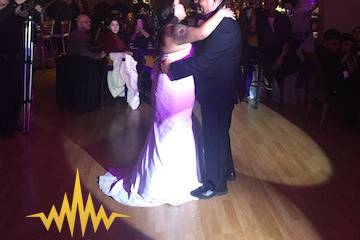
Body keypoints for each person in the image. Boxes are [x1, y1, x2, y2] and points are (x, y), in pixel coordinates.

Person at [98, 0, 235, 206]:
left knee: (174, 127)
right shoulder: (176, 29)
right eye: (177, 3)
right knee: (171, 127)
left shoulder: (171, 28)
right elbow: (202, 34)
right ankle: (167, 181)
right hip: (174, 85)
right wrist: (221, 13)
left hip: (173, 83)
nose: (181, 3)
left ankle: (177, 175)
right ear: (171, 11)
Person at [163, 0, 241, 199]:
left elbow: (204, 63)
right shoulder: (214, 20)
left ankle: (216, 185)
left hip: (218, 90)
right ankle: (227, 170)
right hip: (222, 88)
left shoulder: (225, 27)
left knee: (213, 135)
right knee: (220, 132)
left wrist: (172, 69)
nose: (197, 1)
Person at [0, 0, 28, 138]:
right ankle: (3, 127)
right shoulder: (7, 11)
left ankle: (11, 122)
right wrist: (14, 5)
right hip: (2, 59)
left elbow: (28, 18)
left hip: (15, 57)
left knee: (16, 92)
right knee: (3, 93)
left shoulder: (14, 11)